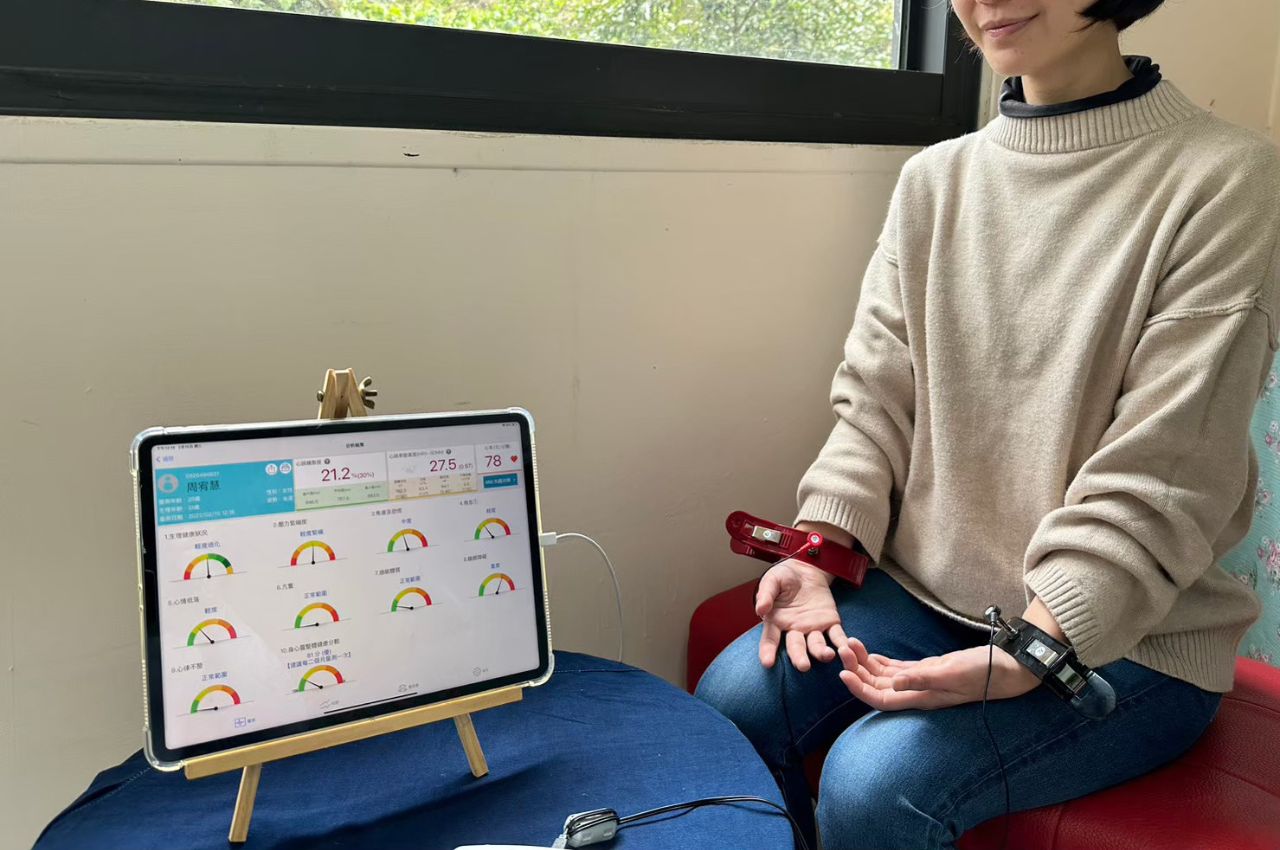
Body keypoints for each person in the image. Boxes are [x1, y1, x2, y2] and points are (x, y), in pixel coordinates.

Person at [694, 1, 1280, 848]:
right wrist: (816, 549)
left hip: (1130, 638)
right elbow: (875, 396)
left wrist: (1039, 646)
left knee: (873, 784)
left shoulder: (1227, 177)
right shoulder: (934, 179)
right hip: (932, 595)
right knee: (733, 704)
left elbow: (1167, 465)